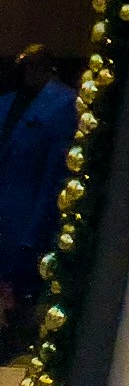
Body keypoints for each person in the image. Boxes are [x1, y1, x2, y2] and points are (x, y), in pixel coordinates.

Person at [0, 47, 75, 348]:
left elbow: (53, 178)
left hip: (26, 220)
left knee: (20, 304)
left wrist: (35, 234)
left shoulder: (63, 105)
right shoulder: (6, 104)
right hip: (9, 214)